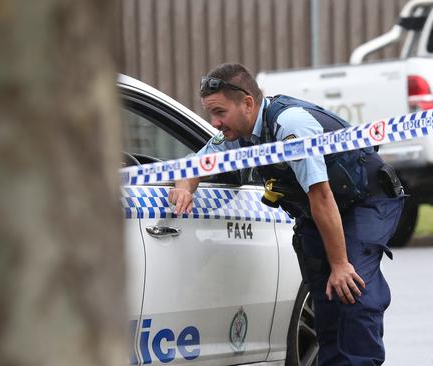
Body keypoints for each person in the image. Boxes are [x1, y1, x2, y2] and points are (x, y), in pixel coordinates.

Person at [169, 63, 404, 365]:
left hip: (367, 202)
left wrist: (340, 263)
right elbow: (196, 164)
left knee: (351, 289)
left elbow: (320, 194)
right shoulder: (237, 134)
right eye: (210, 114)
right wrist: (185, 188)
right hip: (320, 211)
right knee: (326, 296)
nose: (214, 122)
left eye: (220, 112)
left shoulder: (291, 125)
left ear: (248, 104)